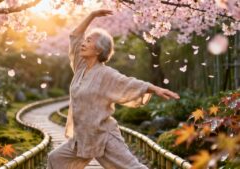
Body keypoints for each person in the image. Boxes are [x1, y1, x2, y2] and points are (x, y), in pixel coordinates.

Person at [47, 9, 180, 169]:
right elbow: (75, 36)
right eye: (85, 40)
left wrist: (155, 89)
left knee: (133, 168)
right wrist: (91, 16)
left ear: (98, 50)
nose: (83, 43)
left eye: (88, 41)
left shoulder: (106, 74)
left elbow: (129, 83)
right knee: (56, 159)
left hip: (104, 135)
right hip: (83, 138)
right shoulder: (80, 67)